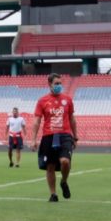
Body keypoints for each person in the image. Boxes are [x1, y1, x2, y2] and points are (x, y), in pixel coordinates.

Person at [31, 73, 78, 202]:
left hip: (65, 135)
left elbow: (72, 119)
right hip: (49, 136)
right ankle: (53, 194)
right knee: (50, 166)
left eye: (60, 83)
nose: (59, 86)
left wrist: (75, 136)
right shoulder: (42, 101)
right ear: (50, 84)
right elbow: (36, 121)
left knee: (65, 161)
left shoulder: (67, 100)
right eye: (56, 83)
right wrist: (33, 139)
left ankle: (64, 181)